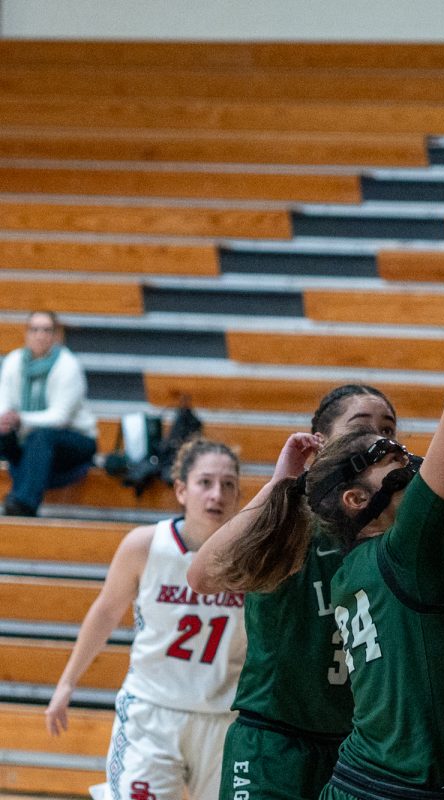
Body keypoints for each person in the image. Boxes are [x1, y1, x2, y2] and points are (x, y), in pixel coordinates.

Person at [227, 191, 444, 799]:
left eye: (392, 437)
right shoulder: (404, 547)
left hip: (366, 780)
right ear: (353, 499)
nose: (397, 449)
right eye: (374, 450)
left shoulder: (357, 565)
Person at [187, 384, 398, 800]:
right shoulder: (293, 515)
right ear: (320, 440)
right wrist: (280, 484)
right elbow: (203, 576)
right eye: (361, 426)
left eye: (388, 428)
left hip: (354, 748)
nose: (377, 435)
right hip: (273, 742)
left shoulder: (391, 533)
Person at [45, 438, 246, 800]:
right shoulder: (145, 545)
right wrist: (67, 683)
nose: (217, 493)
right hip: (152, 713)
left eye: (228, 484)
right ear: (182, 490)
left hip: (224, 719)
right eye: (205, 482)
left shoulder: (251, 558)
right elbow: (106, 612)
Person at [0, 310, 97, 516]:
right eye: (34, 329)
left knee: (41, 436)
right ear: (26, 333)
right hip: (30, 442)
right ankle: (19, 501)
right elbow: (4, 404)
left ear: (56, 335)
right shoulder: (13, 362)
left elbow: (59, 418)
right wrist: (6, 420)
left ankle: (23, 504)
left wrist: (20, 419)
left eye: (46, 330)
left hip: (75, 441)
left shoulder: (68, 365)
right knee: (9, 434)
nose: (40, 335)